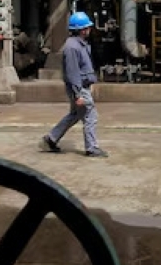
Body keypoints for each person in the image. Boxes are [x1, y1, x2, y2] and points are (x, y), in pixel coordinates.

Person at [40, 12, 109, 158]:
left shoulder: (80, 44)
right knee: (90, 115)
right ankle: (92, 148)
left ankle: (51, 139)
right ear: (81, 29)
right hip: (79, 88)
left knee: (74, 115)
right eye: (87, 27)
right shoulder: (72, 47)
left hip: (82, 86)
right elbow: (72, 73)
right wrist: (78, 94)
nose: (89, 29)